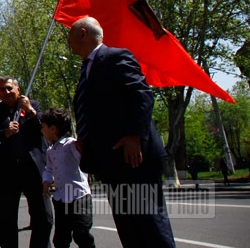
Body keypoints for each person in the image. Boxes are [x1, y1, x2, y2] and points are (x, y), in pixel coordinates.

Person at [68, 16, 175, 247]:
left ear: (84, 33)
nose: (68, 41)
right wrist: (86, 140)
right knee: (129, 229)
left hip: (134, 158)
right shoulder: (88, 68)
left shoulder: (115, 57)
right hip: (112, 162)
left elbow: (142, 95)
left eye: (70, 35)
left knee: (149, 225)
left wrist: (135, 136)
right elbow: (97, 111)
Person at [0, 76, 53, 248]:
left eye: (9, 88)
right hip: (7, 172)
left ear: (17, 89)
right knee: (6, 219)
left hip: (33, 169)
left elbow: (45, 130)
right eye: (2, 89)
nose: (6, 92)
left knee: (44, 216)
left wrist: (30, 111)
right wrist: (4, 133)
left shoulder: (32, 106)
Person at [40, 108, 95, 248]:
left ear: (53, 129)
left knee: (81, 234)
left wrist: (84, 150)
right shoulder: (50, 151)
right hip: (60, 199)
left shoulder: (72, 145)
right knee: (60, 238)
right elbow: (49, 169)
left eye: (43, 127)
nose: (41, 131)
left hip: (78, 197)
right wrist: (46, 180)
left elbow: (83, 161)